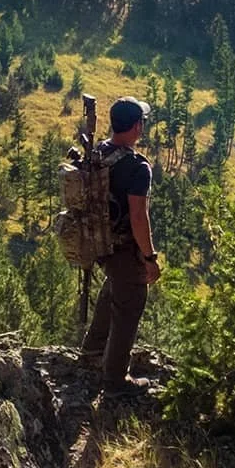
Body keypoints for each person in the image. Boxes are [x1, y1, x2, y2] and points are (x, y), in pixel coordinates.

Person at [79, 95, 161, 384]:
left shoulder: (99, 151)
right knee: (130, 305)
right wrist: (149, 258)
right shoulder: (138, 167)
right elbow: (138, 217)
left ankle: (93, 350)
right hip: (125, 248)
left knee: (115, 287)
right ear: (137, 126)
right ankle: (115, 380)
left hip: (99, 242)